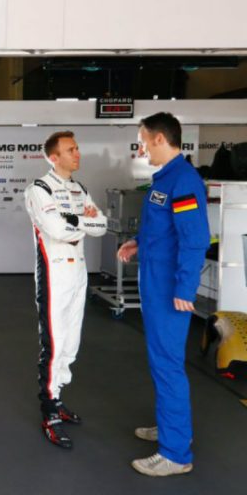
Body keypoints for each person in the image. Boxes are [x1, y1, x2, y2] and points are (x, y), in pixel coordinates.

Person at [117, 112, 209, 476]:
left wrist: (186, 286)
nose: (141, 149)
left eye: (143, 141)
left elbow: (194, 238)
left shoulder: (183, 181)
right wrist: (137, 242)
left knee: (168, 365)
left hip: (170, 289)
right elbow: (162, 228)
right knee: (161, 362)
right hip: (156, 282)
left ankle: (175, 454)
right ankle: (172, 427)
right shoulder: (166, 179)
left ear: (159, 138)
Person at [24, 131, 107, 449]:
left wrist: (76, 220)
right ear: (53, 157)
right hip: (54, 274)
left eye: (77, 148)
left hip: (78, 273)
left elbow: (101, 225)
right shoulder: (39, 189)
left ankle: (57, 397)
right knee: (54, 344)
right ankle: (48, 410)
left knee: (71, 343)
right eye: (71, 150)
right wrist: (82, 219)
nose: (77, 153)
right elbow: (56, 229)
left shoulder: (80, 189)